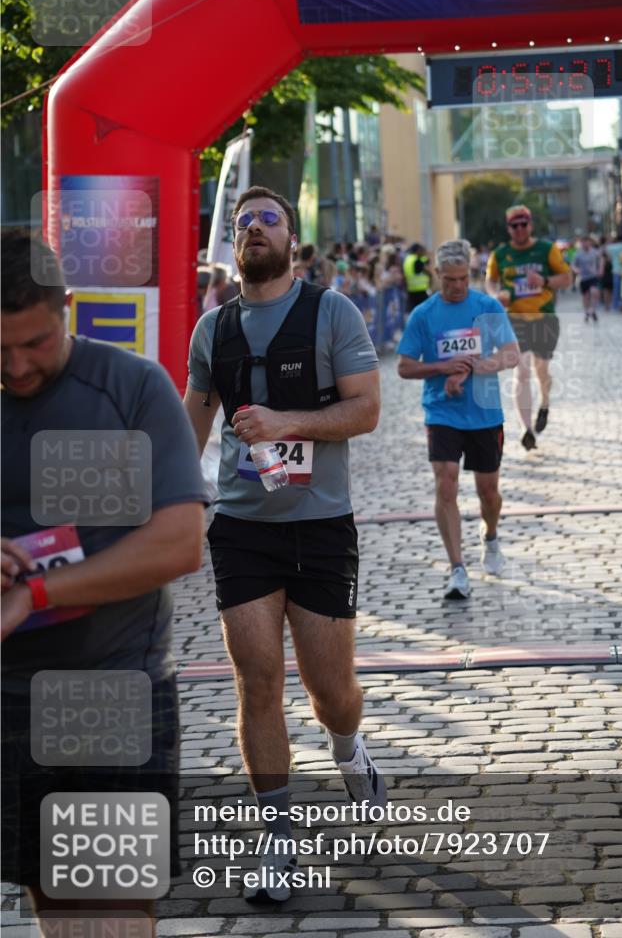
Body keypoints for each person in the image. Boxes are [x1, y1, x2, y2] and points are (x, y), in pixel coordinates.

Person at [183, 186, 386, 903]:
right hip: (242, 528)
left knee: (331, 693)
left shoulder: (330, 311)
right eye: (244, 223)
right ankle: (278, 841)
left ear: (292, 240)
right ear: (233, 246)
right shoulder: (212, 329)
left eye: (269, 219)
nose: (256, 229)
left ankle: (347, 749)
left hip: (320, 524)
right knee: (256, 678)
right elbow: (192, 429)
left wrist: (286, 424)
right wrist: (167, 506)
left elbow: (366, 409)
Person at [1, 230, 206, 934]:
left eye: (34, 341)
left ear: (68, 307)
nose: (18, 365)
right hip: (6, 698)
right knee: (54, 903)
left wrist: (37, 592)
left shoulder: (131, 386)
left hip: (112, 687)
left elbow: (180, 543)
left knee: (112, 913)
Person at [397, 239, 520, 601]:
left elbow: (511, 354)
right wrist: (440, 367)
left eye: (464, 278)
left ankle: (491, 536)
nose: (457, 286)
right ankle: (457, 569)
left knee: (488, 492)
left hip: (484, 412)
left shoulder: (486, 306)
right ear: (436, 275)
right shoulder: (423, 315)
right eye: (450, 279)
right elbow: (404, 366)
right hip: (441, 411)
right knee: (446, 484)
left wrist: (474, 368)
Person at [485, 205, 572, 451]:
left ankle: (544, 403)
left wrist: (544, 281)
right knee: (521, 372)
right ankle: (526, 429)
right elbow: (490, 280)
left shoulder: (546, 249)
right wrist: (495, 294)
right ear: (509, 229)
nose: (520, 229)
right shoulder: (500, 254)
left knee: (541, 370)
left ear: (530, 225)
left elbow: (567, 279)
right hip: (514, 320)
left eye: (524, 224)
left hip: (544, 318)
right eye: (515, 226)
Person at [572, 235, 602, 322]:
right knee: (586, 297)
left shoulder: (595, 252)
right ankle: (587, 312)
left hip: (593, 276)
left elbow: (601, 259)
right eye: (584, 242)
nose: (586, 244)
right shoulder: (577, 253)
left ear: (590, 243)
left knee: (594, 292)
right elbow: (573, 265)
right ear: (581, 243)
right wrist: (576, 270)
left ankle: (593, 310)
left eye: (587, 242)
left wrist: (600, 269)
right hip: (583, 278)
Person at [403, 243, 432, 311]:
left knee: (414, 311)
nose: (424, 253)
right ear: (418, 251)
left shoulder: (408, 259)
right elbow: (428, 272)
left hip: (411, 289)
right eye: (422, 251)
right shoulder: (416, 260)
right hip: (420, 290)